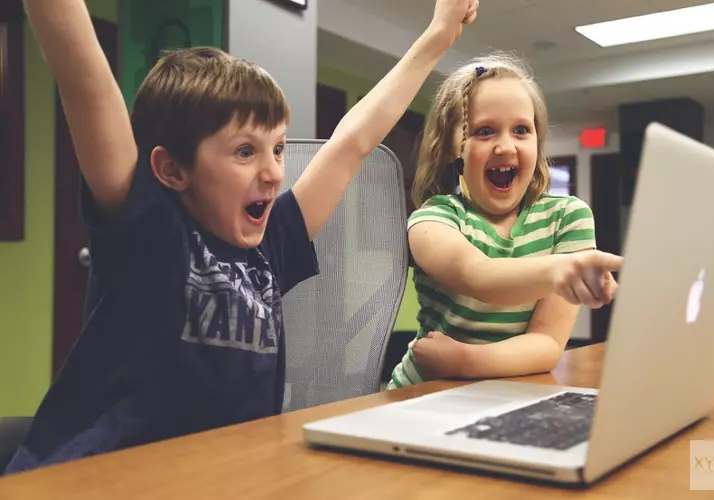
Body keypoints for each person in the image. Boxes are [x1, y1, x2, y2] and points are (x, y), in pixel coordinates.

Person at [6, 0, 479, 473]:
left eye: (276, 148)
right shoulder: (147, 227)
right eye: (245, 152)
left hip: (221, 474)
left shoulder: (272, 243)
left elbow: (351, 144)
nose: (275, 172)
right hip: (97, 478)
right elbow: (85, 83)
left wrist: (437, 35)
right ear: (171, 169)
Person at [387, 52, 622, 390]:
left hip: (505, 395)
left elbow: (547, 344)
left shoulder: (568, 218)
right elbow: (479, 276)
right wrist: (562, 270)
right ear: (453, 146)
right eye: (485, 131)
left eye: (522, 130)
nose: (505, 146)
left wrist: (465, 361)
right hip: (422, 394)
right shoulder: (433, 219)